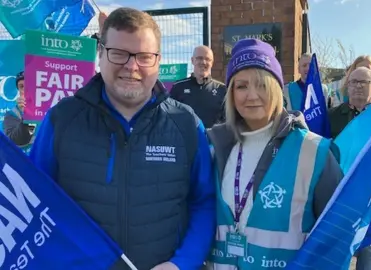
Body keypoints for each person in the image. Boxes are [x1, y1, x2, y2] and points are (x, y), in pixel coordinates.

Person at [29, 7, 215, 270]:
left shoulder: (186, 124)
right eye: (119, 54)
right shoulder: (61, 120)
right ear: (101, 54)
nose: (131, 66)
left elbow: (203, 201)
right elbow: (35, 202)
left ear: (158, 60)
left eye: (144, 56)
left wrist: (181, 264)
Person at [206, 39, 343, 269]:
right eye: (241, 86)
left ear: (277, 88)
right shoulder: (214, 147)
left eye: (261, 84)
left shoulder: (313, 150)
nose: (251, 95)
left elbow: (336, 234)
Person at [328, 67, 371, 270]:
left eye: (364, 82)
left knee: (368, 248)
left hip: (370, 191)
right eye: (354, 82)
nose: (358, 86)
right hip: (338, 190)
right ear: (347, 86)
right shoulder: (331, 116)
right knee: (337, 248)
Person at [170, 45, 226, 128]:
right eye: (199, 58)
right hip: (186, 139)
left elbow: (227, 119)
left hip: (212, 140)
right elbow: (170, 116)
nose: (203, 62)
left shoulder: (222, 89)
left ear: (212, 63)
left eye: (207, 59)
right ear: (192, 60)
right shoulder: (178, 87)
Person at [3, 71, 36, 154]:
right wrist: (27, 115)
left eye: (30, 85)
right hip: (29, 162)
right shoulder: (12, 114)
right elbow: (18, 141)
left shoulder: (54, 109)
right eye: (22, 87)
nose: (26, 90)